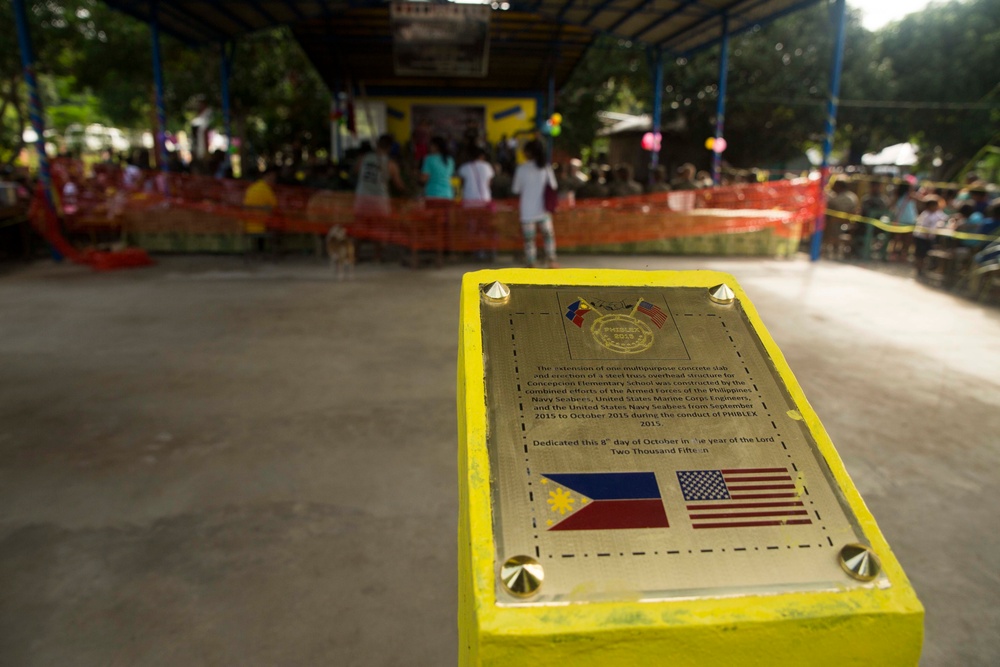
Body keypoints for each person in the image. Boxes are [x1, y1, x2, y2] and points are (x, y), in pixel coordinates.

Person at [512, 139, 558, 268]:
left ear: (528, 152)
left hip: (526, 210)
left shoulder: (522, 169)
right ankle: (551, 260)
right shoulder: (546, 168)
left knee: (529, 240)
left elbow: (516, 189)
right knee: (548, 236)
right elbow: (553, 186)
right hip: (544, 209)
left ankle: (531, 261)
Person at [354, 133, 406, 219]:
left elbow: (355, 171)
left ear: (377, 144)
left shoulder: (363, 158)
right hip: (380, 203)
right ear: (390, 148)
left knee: (361, 229)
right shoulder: (391, 164)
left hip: (362, 201)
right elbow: (399, 185)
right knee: (379, 229)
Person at [243, 167, 279, 255]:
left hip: (248, 226)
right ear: (268, 177)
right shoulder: (266, 190)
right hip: (263, 226)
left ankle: (260, 251)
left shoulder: (251, 188)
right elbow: (275, 206)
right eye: (273, 178)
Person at [912, 196, 948, 276]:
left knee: (926, 254)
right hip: (921, 237)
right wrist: (928, 236)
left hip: (929, 238)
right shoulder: (925, 215)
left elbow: (944, 218)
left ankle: (923, 269)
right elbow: (924, 227)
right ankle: (918, 269)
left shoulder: (936, 214)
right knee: (920, 255)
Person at [420, 136, 455, 204]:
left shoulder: (429, 159)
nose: (429, 147)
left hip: (433, 195)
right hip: (448, 194)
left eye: (430, 145)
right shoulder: (450, 160)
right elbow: (450, 176)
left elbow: (423, 179)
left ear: (436, 146)